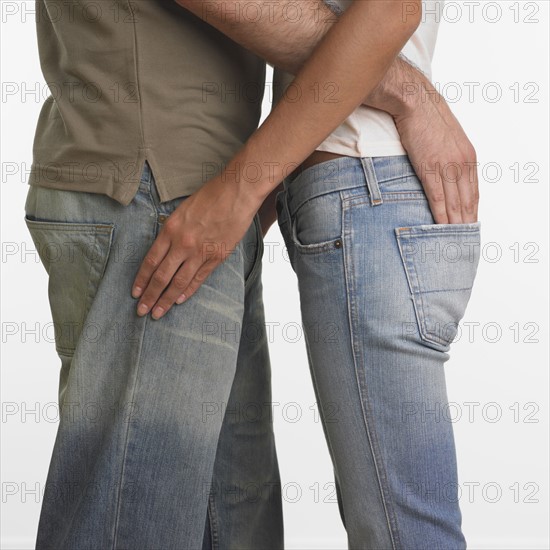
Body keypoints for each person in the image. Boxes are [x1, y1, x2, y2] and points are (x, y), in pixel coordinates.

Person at [24, 0, 425, 548]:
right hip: (152, 192)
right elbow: (247, 8)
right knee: (133, 521)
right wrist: (409, 91)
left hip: (195, 199)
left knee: (234, 518)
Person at [136, 0, 481, 548]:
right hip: (363, 192)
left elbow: (392, 11)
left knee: (403, 530)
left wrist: (240, 188)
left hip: (367, 193)